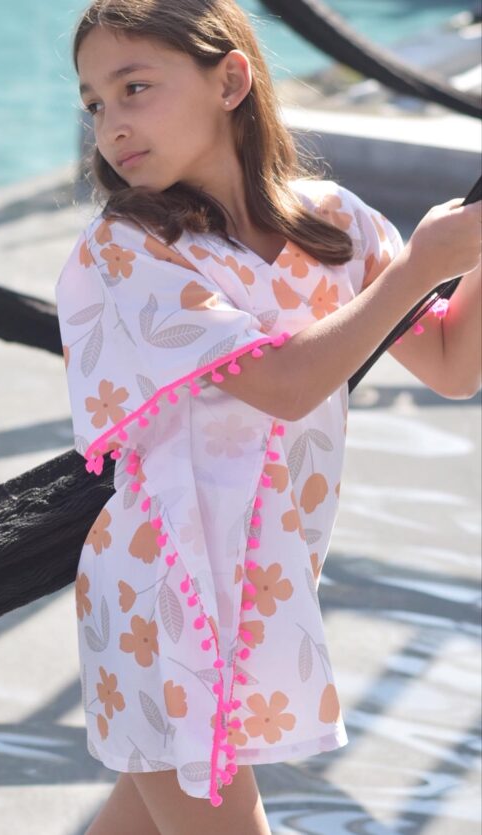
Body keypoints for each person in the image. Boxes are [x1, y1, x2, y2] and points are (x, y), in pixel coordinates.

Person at [54, 1, 482, 832]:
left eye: (135, 87)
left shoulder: (334, 224)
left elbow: (451, 361)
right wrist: (417, 267)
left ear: (231, 80)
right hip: (163, 596)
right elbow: (284, 382)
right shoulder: (128, 251)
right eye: (95, 103)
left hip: (263, 592)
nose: (111, 124)